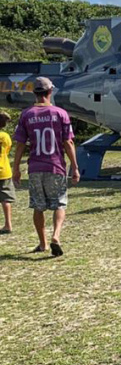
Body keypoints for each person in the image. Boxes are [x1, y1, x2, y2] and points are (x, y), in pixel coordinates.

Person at [12, 77, 80, 256]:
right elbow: (68, 142)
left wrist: (16, 168)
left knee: (38, 206)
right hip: (55, 165)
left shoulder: (26, 114)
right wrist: (75, 166)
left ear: (34, 93)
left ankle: (42, 244)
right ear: (50, 92)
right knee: (60, 204)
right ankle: (56, 235)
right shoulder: (60, 113)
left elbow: (20, 144)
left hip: (35, 167)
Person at [0, 112, 15, 234]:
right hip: (4, 170)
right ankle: (8, 224)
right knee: (5, 199)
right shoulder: (5, 136)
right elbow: (8, 150)